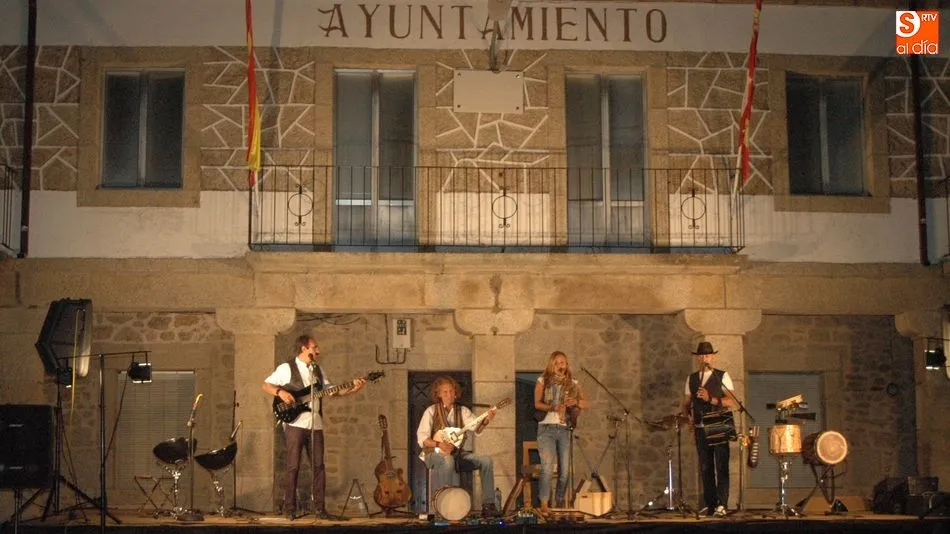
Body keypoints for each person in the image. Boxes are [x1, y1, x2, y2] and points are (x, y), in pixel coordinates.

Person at [263, 335, 366, 521]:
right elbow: (266, 385)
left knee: (319, 466)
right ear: (304, 348)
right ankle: (290, 509)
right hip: (295, 423)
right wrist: (281, 392)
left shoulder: (317, 369)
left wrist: (353, 388)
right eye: (314, 347)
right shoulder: (287, 368)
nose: (318, 351)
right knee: (293, 466)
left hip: (315, 423)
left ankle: (320, 508)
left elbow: (332, 391)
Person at [416, 376, 499, 517]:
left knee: (486, 461)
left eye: (451, 391)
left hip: (457, 454)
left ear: (456, 393)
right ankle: (444, 504)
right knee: (447, 460)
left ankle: (488, 504)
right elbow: (422, 439)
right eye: (445, 392)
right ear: (438, 394)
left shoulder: (463, 411)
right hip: (433, 454)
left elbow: (476, 428)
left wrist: (486, 420)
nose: (449, 395)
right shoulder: (431, 411)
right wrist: (439, 444)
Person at [680, 340, 736, 518]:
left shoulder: (722, 376)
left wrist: (710, 398)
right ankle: (710, 505)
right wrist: (688, 418)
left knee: (721, 466)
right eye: (702, 355)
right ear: (697, 358)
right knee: (705, 468)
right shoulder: (692, 378)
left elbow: (731, 401)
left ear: (713, 357)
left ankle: (722, 504)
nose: (705, 358)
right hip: (700, 427)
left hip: (718, 424)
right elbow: (686, 402)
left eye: (708, 355)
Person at [533, 350, 589, 515]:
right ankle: (544, 503)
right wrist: (553, 407)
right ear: (551, 365)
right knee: (547, 467)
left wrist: (575, 402)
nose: (560, 365)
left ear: (566, 364)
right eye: (556, 363)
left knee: (565, 470)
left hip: (564, 429)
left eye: (562, 362)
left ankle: (559, 501)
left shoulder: (573, 383)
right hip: (547, 428)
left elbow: (586, 403)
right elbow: (537, 404)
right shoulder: (542, 381)